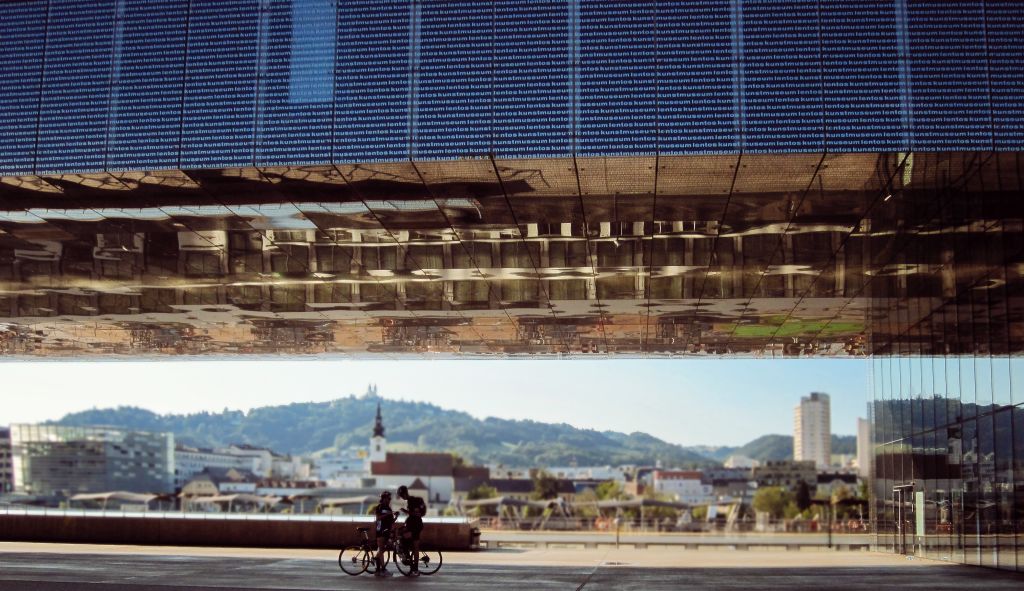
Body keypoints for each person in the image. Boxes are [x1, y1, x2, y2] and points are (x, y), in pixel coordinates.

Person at [397, 485, 426, 576]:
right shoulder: (412, 500)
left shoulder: (411, 501)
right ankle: (413, 568)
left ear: (404, 494)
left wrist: (405, 511)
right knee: (413, 547)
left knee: (406, 541)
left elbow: (415, 513)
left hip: (415, 526)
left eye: (401, 496)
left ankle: (413, 567)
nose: (402, 498)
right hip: (416, 525)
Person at [373, 490, 395, 578]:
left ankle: (380, 569)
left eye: (390, 498)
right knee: (381, 549)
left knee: (382, 550)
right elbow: (378, 518)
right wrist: (387, 514)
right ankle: (379, 567)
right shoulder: (379, 507)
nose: (389, 500)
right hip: (380, 530)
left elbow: (391, 521)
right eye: (388, 498)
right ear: (383, 498)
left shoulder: (389, 508)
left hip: (387, 531)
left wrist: (395, 516)